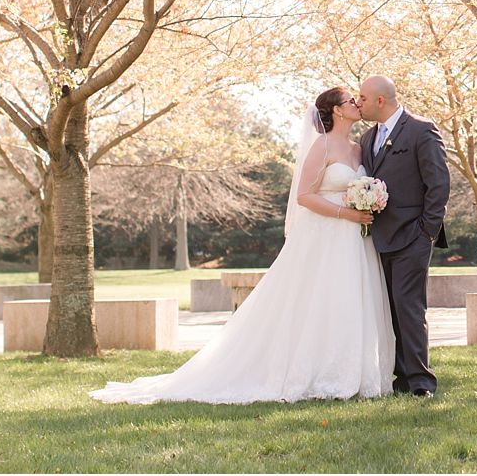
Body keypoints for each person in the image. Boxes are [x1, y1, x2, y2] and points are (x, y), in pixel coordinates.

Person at [89, 86, 394, 404]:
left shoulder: (359, 149)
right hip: (327, 234)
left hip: (355, 240)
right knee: (317, 301)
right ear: (336, 110)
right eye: (350, 101)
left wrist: (368, 200)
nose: (357, 104)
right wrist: (346, 212)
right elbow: (305, 196)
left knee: (347, 300)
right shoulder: (323, 146)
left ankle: (351, 373)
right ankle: (312, 375)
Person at [357, 74, 450, 398]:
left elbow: (438, 184)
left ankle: (422, 381)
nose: (359, 103)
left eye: (363, 98)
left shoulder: (421, 130)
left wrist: (428, 231)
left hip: (413, 236)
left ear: (380, 100)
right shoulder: (368, 138)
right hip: (378, 237)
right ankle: (402, 378)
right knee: (390, 308)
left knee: (409, 306)